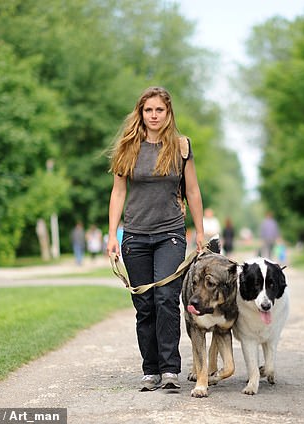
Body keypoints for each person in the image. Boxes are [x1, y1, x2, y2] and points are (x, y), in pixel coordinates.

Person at [106, 86, 205, 392]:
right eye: (148, 110)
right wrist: (112, 235)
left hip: (170, 234)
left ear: (168, 112)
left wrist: (200, 232)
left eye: (159, 110)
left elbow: (192, 191)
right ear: (141, 112)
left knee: (165, 298)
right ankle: (151, 370)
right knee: (144, 304)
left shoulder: (181, 146)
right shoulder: (128, 147)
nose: (153, 115)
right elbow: (118, 192)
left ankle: (170, 369)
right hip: (135, 235)